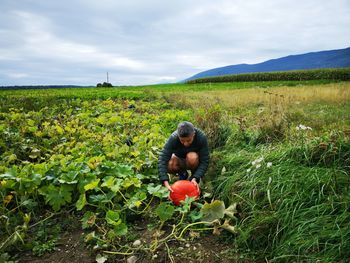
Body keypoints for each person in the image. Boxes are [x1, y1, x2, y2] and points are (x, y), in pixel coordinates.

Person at [158, 121, 210, 192]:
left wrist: (196, 177)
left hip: (194, 161)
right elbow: (163, 158)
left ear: (193, 134)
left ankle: (193, 177)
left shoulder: (201, 138)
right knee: (170, 164)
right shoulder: (173, 138)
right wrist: (165, 182)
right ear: (178, 136)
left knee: (192, 157)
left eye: (188, 140)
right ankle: (183, 174)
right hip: (180, 159)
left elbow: (205, 161)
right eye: (182, 141)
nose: (185, 143)